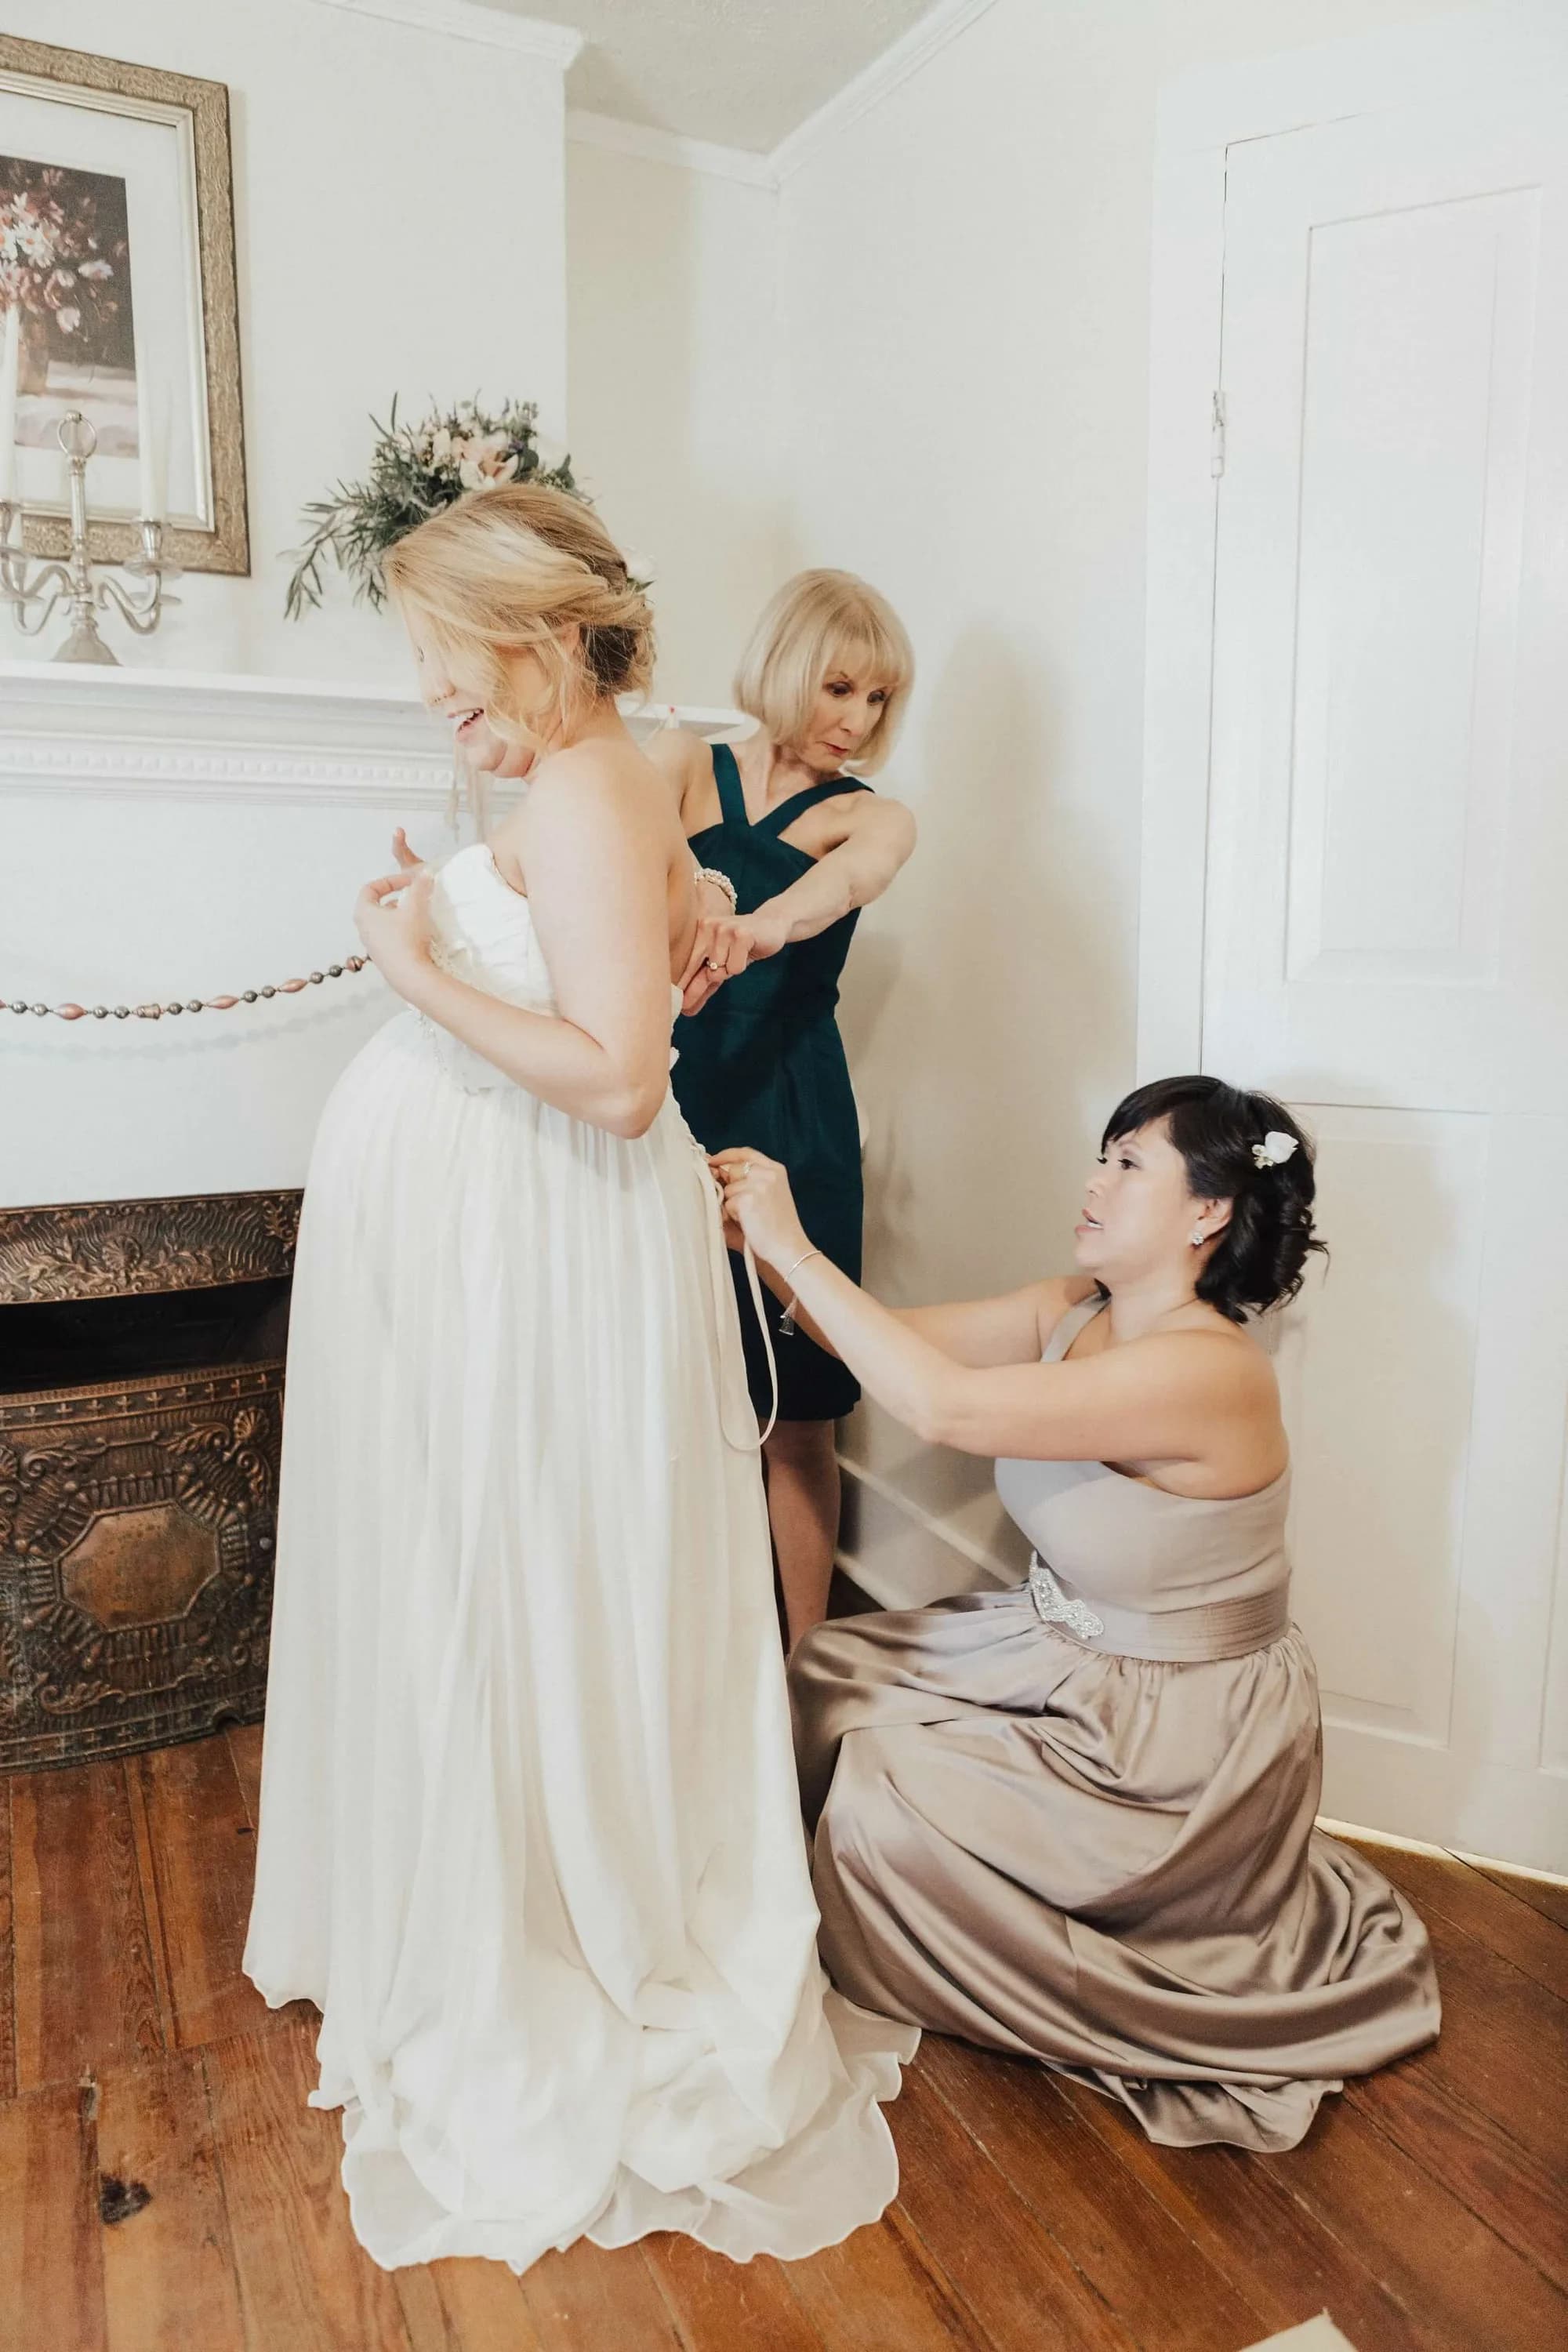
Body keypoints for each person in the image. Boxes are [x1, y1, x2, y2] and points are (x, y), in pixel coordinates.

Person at [242, 483, 915, 2274]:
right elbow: (625, 965)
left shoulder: (595, 783)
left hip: (545, 1236)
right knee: (495, 1569)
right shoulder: (611, 788)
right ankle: (483, 1892)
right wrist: (466, 930)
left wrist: (412, 968)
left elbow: (619, 1081)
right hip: (506, 1242)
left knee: (528, 1571)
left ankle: (546, 1927)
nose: (442, 713)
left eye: (456, 678)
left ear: (544, 643)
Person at [714, 1076, 1440, 2153]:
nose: (1093, 1182)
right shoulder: (1074, 1311)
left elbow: (943, 1406)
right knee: (828, 1673)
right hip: (1059, 1650)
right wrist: (754, 1250)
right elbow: (876, 1344)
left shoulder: (1208, 1374)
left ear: (1208, 1213)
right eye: (1102, 1154)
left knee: (879, 1792)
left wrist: (794, 1240)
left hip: (1179, 1739)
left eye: (1129, 1164)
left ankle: (1024, 1943)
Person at [646, 571, 916, 1650]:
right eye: (840, 688)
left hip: (792, 1109)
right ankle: (672, 1647)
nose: (856, 721)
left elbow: (842, 890)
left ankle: (806, 1679)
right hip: (663, 1091)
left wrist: (760, 926)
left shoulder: (875, 818)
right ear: (787, 668)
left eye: (880, 701)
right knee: (661, 1387)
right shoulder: (679, 762)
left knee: (797, 1410)